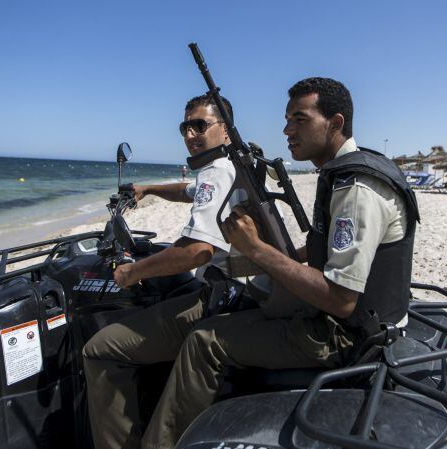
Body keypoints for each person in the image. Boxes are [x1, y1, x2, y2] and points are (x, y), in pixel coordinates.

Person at [138, 77, 419, 449]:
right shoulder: (347, 170)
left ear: (335, 123)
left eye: (299, 120)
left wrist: (256, 249)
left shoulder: (356, 188)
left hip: (348, 335)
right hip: (356, 321)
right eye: (287, 119)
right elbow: (323, 255)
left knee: (204, 342)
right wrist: (255, 260)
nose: (286, 130)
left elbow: (341, 300)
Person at [83, 94, 244, 449]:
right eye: (185, 126)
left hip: (221, 300)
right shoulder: (233, 167)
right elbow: (190, 191)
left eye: (200, 125)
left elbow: (197, 251)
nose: (190, 134)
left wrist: (133, 272)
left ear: (226, 131)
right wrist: (149, 188)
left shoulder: (217, 175)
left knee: (100, 350)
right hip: (239, 291)